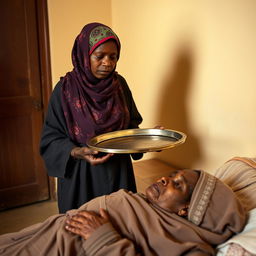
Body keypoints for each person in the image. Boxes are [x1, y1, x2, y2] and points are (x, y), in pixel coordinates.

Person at [0, 169, 246, 256]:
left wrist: (102, 238)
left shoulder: (191, 247)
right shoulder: (152, 207)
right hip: (45, 235)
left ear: (186, 209)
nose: (164, 179)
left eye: (177, 184)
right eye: (171, 175)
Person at [40, 22, 144, 213]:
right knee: (81, 231)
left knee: (119, 227)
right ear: (84, 55)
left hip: (118, 174)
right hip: (81, 178)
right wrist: (77, 151)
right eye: (100, 56)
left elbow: (131, 127)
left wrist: (147, 139)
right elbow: (50, 138)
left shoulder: (119, 86)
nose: (107, 63)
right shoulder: (65, 90)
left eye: (113, 57)